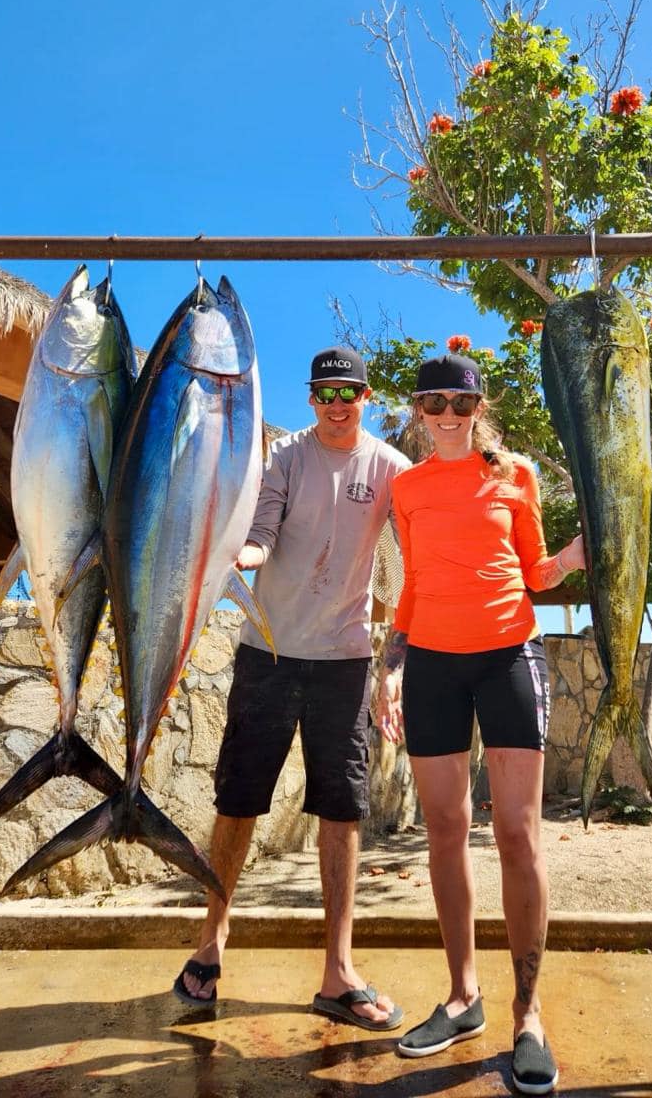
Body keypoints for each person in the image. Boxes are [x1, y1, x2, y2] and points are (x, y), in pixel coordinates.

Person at [174, 345, 409, 1031]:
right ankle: (212, 938)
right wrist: (243, 554)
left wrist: (395, 662)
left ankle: (339, 972)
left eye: (349, 393)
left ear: (366, 398)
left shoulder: (390, 469)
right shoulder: (287, 457)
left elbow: (417, 544)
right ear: (311, 399)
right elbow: (261, 530)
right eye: (325, 393)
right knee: (239, 800)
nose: (337, 405)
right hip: (268, 654)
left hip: (344, 659)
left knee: (342, 810)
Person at [376, 353, 585, 1096]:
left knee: (518, 835)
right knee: (442, 827)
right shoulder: (405, 485)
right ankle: (463, 998)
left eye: (458, 403)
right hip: (430, 661)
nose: (446, 415)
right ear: (418, 409)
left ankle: (527, 1016)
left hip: (507, 659)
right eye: (433, 403)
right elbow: (413, 584)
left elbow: (536, 573)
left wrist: (581, 552)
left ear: (477, 405)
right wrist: (390, 664)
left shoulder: (516, 475)